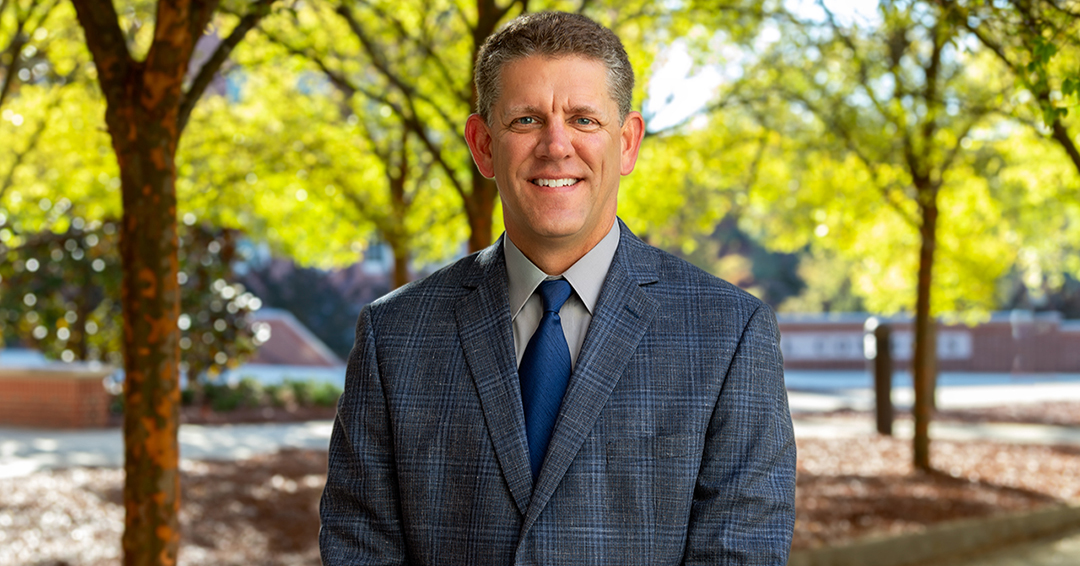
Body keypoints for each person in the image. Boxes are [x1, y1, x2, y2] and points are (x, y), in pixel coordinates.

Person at [319, 11, 795, 565]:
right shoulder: (394, 335)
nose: (556, 145)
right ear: (483, 144)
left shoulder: (729, 334)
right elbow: (360, 545)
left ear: (627, 143)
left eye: (584, 120)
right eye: (525, 120)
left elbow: (741, 552)